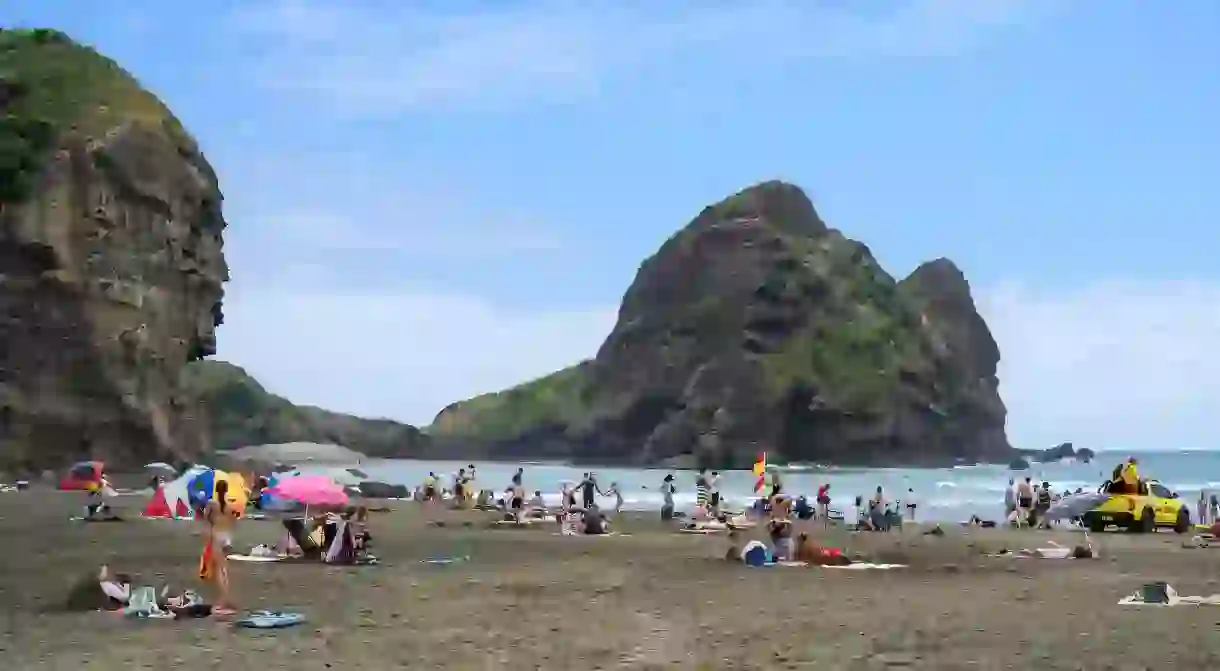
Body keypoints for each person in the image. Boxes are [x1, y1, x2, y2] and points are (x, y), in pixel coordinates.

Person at [200, 479, 238, 616]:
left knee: (218, 571)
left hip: (216, 535)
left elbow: (205, 518)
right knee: (224, 570)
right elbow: (233, 520)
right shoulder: (229, 504)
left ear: (216, 490)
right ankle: (225, 598)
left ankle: (223, 600)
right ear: (226, 490)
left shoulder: (212, 503)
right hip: (227, 537)